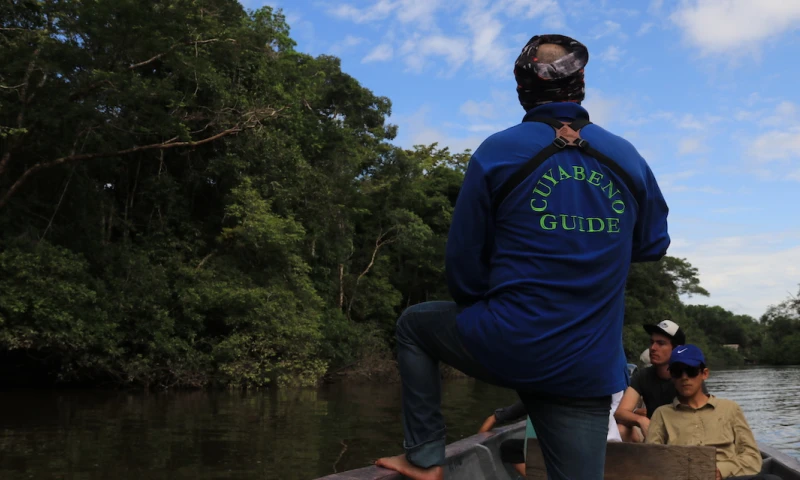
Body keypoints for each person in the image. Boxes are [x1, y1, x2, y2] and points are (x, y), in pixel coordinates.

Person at [375, 34, 670, 480]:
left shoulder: (498, 150)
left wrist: (494, 312)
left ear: (522, 87)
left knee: (414, 325)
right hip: (588, 363)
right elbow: (652, 246)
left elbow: (464, 270)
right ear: (581, 82)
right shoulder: (627, 157)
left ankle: (425, 457)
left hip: (509, 342)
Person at [646, 345, 779, 480]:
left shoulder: (730, 408)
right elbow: (651, 460)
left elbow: (752, 457)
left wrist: (721, 471)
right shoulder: (662, 414)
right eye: (677, 372)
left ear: (704, 374)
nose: (684, 377)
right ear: (672, 377)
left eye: (691, 371)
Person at [478, 363, 631, 478]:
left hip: (566, 454)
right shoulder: (608, 393)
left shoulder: (547, 392)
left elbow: (497, 417)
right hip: (586, 454)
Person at [615, 320, 705, 442]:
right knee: (621, 430)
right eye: (651, 342)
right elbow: (620, 412)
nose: (653, 348)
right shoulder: (643, 376)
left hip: (681, 434)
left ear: (676, 349)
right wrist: (641, 420)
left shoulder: (689, 377)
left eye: (661, 343)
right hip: (651, 432)